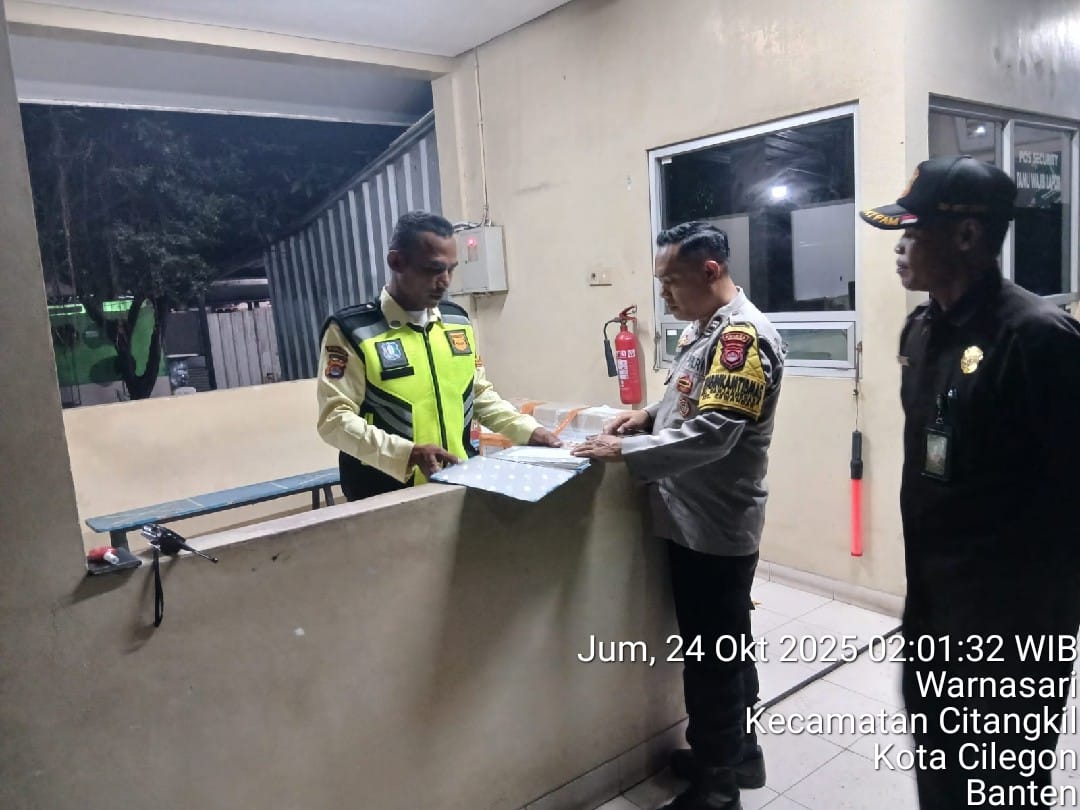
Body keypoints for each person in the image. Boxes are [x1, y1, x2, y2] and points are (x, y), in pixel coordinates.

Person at [860, 155, 1080, 808]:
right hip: (934, 605)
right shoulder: (921, 330)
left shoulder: (1039, 339)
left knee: (1002, 786)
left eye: (914, 231)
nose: (900, 247)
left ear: (966, 235)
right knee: (940, 771)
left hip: (1014, 623)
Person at [573, 221, 785, 810]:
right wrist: (647, 415)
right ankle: (740, 755)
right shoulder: (709, 330)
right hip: (698, 514)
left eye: (670, 281)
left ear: (710, 271)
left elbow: (715, 433)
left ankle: (717, 787)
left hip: (712, 523)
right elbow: (692, 398)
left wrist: (626, 450)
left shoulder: (742, 338)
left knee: (712, 657)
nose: (662, 293)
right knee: (728, 645)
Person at [316, 211, 560, 500]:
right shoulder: (354, 330)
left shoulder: (456, 322)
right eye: (433, 270)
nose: (445, 282)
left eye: (451, 270)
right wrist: (405, 454)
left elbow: (478, 395)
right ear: (396, 262)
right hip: (385, 495)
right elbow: (335, 420)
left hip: (459, 482)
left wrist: (528, 430)